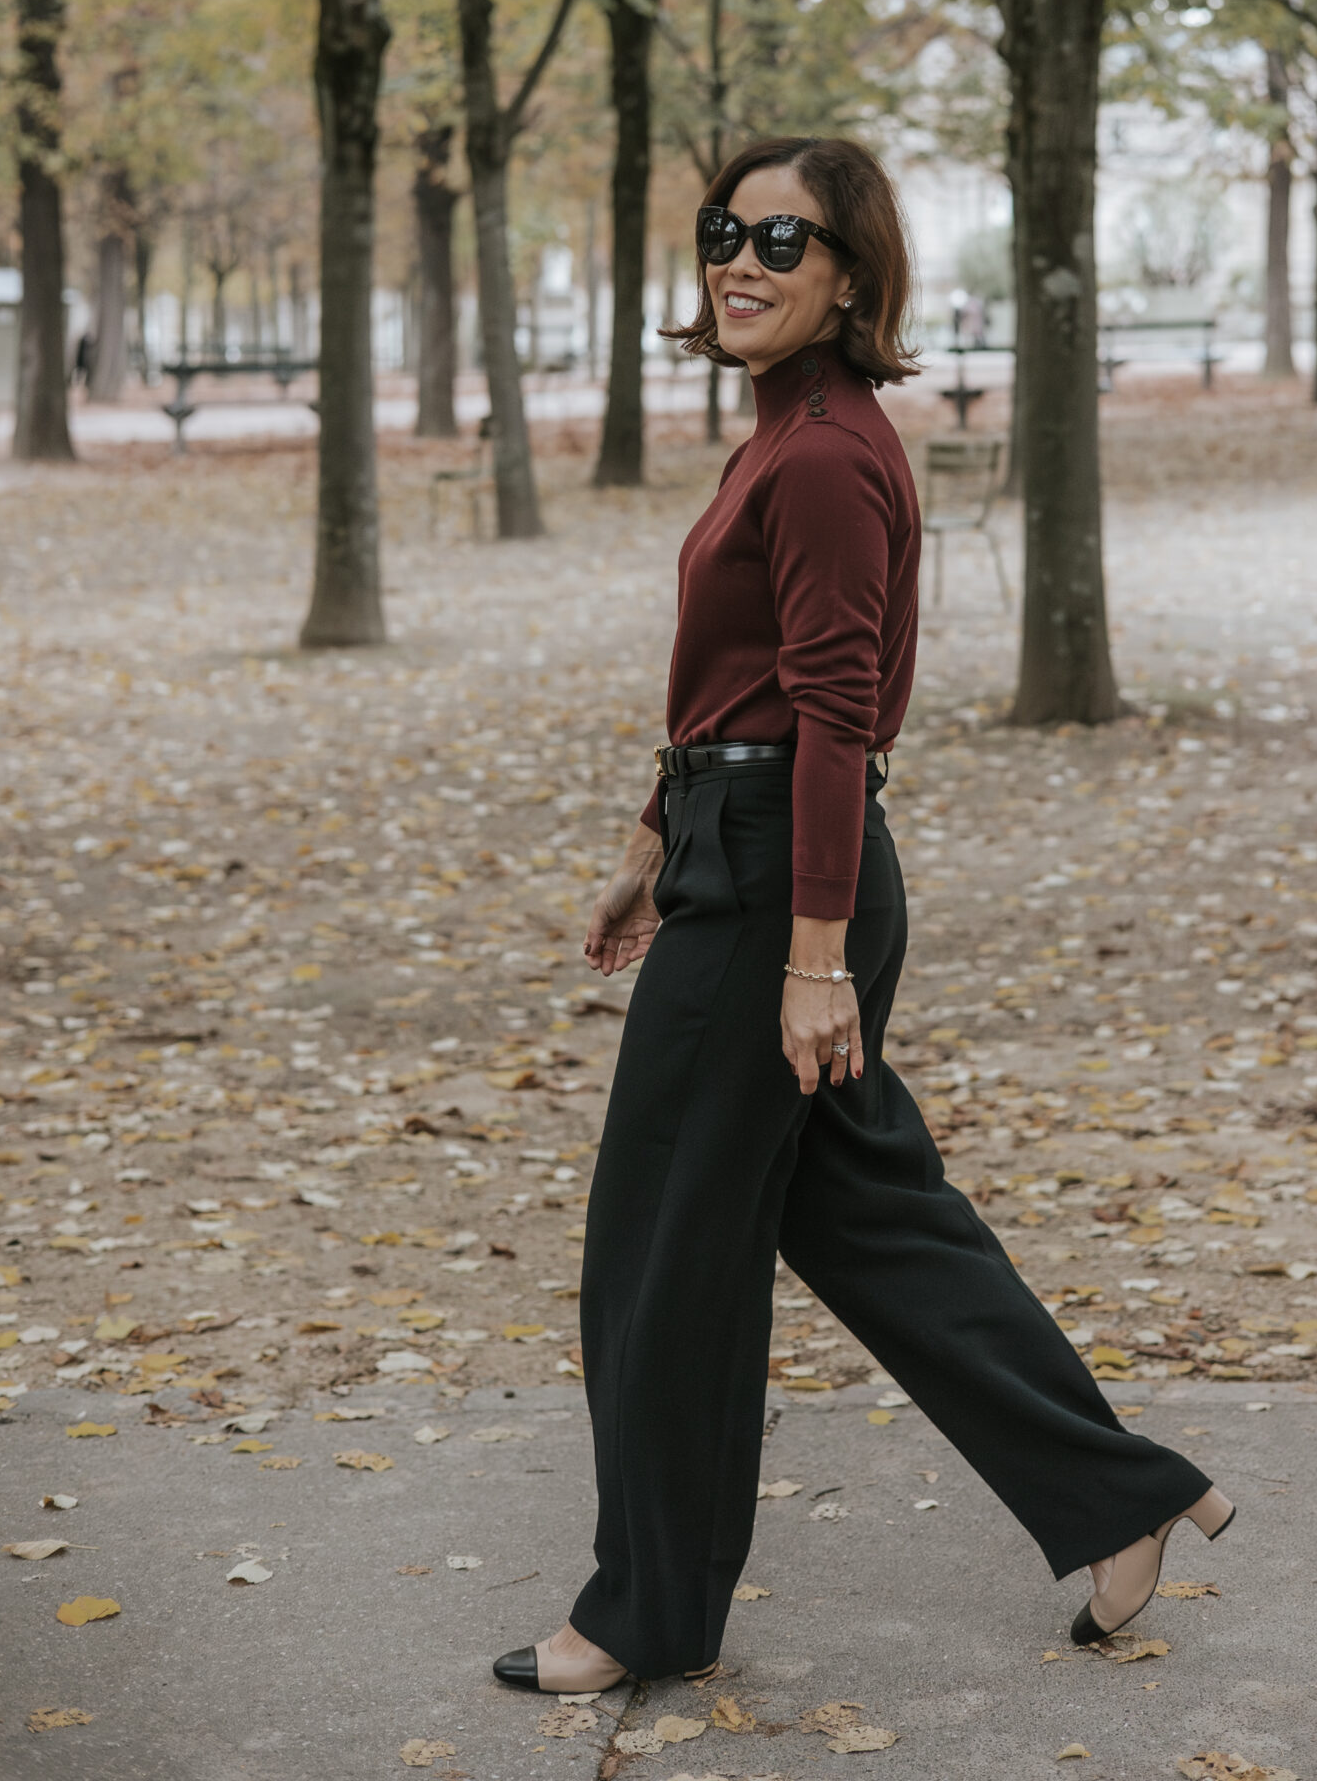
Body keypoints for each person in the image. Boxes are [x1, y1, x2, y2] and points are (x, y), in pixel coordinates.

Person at [493, 136, 1233, 1695]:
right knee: (863, 1215)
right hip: (742, 852)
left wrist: (810, 961)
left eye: (786, 240)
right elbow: (744, 681)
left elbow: (836, 717)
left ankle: (645, 1612)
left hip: (782, 888)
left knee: (661, 1252)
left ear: (850, 278)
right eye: (726, 232)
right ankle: (1123, 1500)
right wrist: (649, 837)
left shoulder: (825, 452)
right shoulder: (791, 430)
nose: (744, 262)